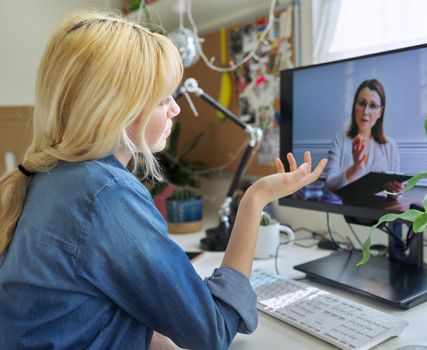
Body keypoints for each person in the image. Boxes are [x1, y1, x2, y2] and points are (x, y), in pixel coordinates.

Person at [0, 11, 327, 350]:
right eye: (163, 99)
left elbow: (90, 309)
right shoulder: (106, 194)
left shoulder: (50, 176)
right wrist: (255, 198)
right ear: (117, 110)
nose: (176, 109)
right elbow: (213, 330)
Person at [325, 79, 403, 197]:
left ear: (380, 112)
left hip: (379, 213)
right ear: (354, 106)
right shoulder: (339, 139)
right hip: (347, 211)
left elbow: (396, 195)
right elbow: (330, 185)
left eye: (373, 106)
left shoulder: (390, 146)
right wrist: (355, 168)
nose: (365, 111)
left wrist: (396, 192)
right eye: (361, 103)